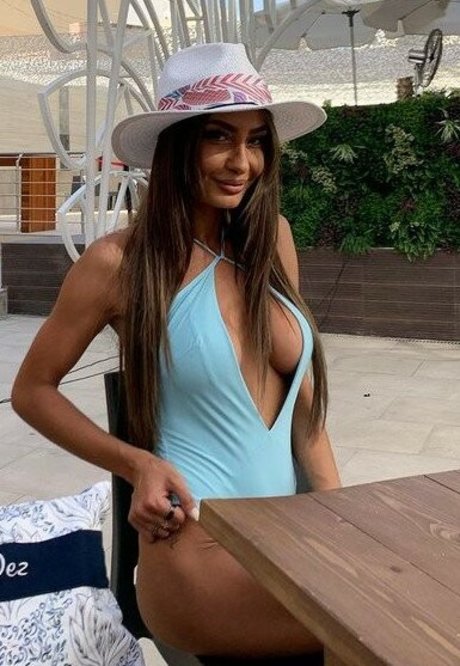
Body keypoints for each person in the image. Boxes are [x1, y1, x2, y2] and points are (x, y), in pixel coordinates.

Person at [12, 42, 341, 659]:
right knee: (397, 626)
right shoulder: (119, 264)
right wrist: (137, 464)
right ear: (175, 147)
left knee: (401, 590)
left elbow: (303, 402)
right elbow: (32, 391)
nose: (242, 162)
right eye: (219, 137)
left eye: (256, 140)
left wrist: (337, 519)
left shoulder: (272, 240)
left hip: (286, 535)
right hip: (198, 546)